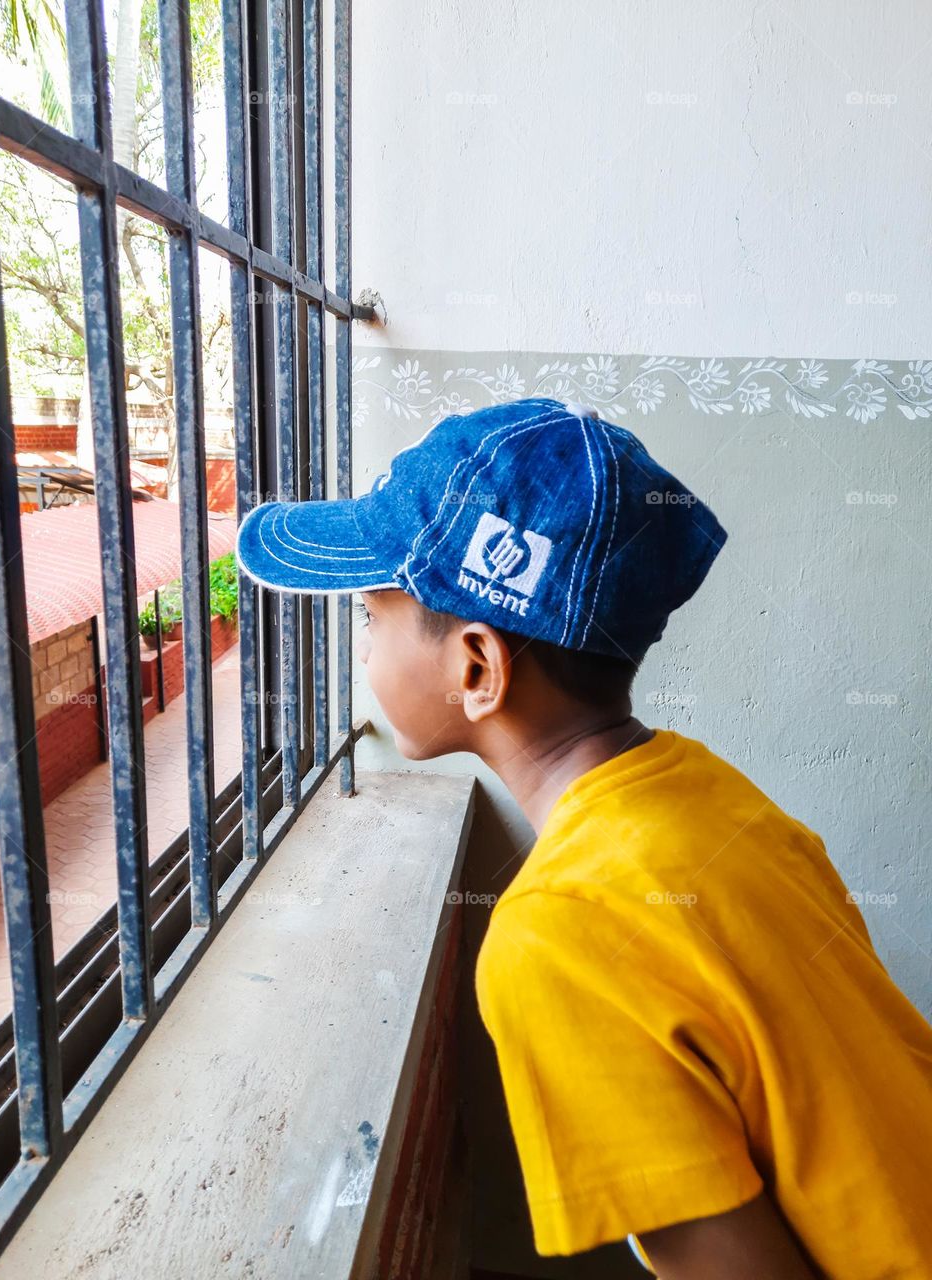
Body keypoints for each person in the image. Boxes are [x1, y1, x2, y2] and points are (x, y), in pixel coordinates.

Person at [235, 396, 932, 1278]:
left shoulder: (554, 939)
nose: (363, 647)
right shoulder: (711, 796)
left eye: (371, 616)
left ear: (476, 668)